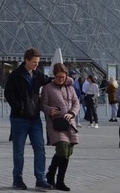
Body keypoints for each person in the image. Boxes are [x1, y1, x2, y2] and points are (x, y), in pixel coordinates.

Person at [4, 48, 51, 191]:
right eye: (34, 62)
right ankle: (17, 179)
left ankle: (40, 179)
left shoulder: (38, 75)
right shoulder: (16, 75)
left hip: (35, 118)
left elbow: (51, 81)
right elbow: (8, 93)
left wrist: (66, 79)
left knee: (40, 148)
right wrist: (20, 108)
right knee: (19, 151)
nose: (37, 65)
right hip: (19, 119)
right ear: (26, 60)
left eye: (38, 62)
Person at [40, 63, 79, 191]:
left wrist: (72, 113)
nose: (61, 79)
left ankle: (59, 180)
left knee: (68, 152)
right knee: (62, 148)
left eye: (63, 77)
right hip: (55, 124)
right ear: (54, 76)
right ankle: (51, 173)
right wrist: (50, 110)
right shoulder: (47, 88)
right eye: (58, 77)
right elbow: (43, 105)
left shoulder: (70, 87)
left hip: (69, 123)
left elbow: (76, 102)